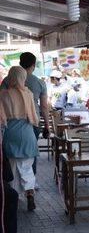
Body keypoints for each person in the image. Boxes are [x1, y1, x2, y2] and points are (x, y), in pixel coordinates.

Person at [0, 52, 50, 174]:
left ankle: (13, 180)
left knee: (10, 153)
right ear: (33, 65)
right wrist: (47, 125)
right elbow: (44, 106)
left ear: (20, 63)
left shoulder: (7, 80)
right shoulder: (40, 83)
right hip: (32, 121)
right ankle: (30, 182)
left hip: (10, 123)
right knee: (30, 152)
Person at [0, 66, 40, 211]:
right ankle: (30, 194)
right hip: (28, 134)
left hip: (11, 134)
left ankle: (14, 199)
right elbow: (34, 117)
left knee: (13, 169)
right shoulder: (28, 93)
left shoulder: (3, 94)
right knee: (27, 168)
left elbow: (1, 119)